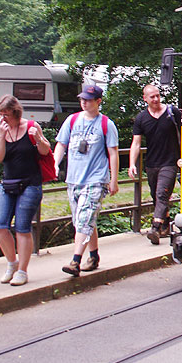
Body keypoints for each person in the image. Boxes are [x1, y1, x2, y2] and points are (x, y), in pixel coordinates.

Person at [53, 84, 119, 277]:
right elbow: (61, 144)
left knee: (84, 221)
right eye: (82, 99)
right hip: (74, 179)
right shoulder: (72, 121)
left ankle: (75, 260)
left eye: (88, 100)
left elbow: (113, 153)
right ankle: (94, 255)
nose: (84, 103)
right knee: (83, 221)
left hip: (95, 179)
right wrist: (55, 164)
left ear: (98, 102)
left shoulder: (106, 124)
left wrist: (113, 180)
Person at [0, 95, 51, 286]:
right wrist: (1, 134)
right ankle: (12, 263)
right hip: (8, 183)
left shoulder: (31, 126)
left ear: (15, 113)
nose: (2, 119)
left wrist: (39, 138)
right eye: (0, 114)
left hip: (30, 183)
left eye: (6, 114)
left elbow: (45, 151)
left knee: (22, 228)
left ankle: (22, 270)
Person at [129, 85, 182, 244]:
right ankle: (165, 224)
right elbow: (136, 143)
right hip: (152, 163)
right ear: (145, 98)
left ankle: (155, 228)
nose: (156, 99)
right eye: (152, 97)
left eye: (157, 96)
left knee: (162, 194)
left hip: (170, 162)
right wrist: (132, 163)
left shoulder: (172, 113)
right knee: (156, 197)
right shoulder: (141, 118)